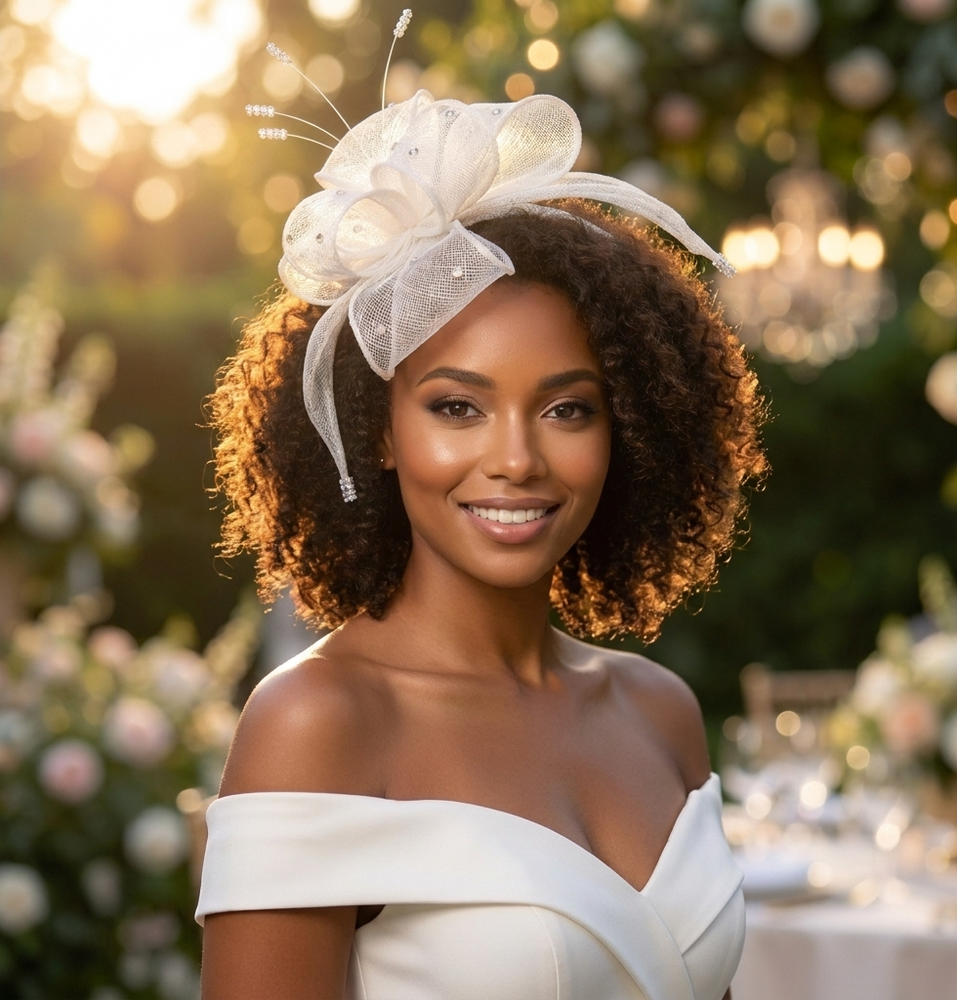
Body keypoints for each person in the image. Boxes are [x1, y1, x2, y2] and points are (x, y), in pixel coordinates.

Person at [197, 83, 766, 1000]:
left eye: (567, 409)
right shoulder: (317, 724)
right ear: (378, 428)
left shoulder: (661, 712)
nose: (516, 460)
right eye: (457, 407)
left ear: (628, 430)